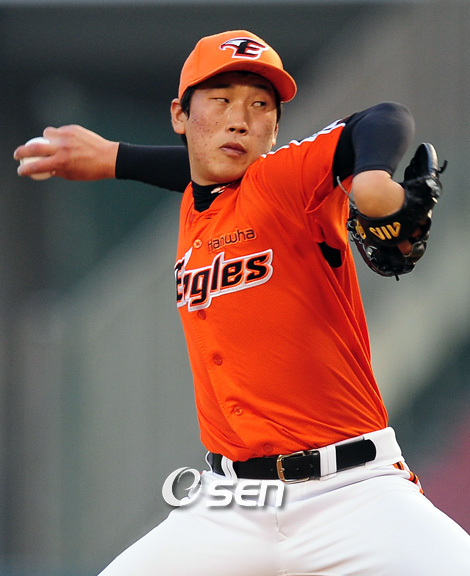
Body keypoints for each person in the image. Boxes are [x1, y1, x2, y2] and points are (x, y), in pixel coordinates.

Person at [14, 30, 470, 575]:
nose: (239, 120)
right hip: (230, 504)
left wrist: (371, 178)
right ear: (180, 115)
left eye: (259, 106)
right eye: (221, 99)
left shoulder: (285, 183)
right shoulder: (198, 199)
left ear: (275, 130)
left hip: (352, 494)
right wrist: (114, 157)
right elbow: (195, 170)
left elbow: (381, 117)